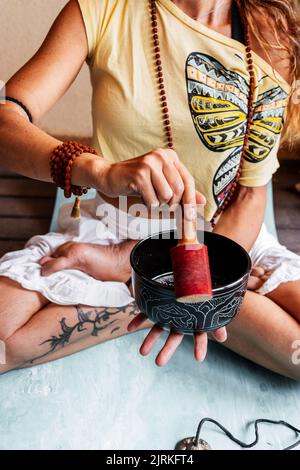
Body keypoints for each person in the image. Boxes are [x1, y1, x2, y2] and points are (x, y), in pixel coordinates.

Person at [0, 0, 299, 379]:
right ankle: (153, 284)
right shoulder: (102, 8)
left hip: (223, 239)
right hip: (117, 226)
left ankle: (131, 276)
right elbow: (5, 121)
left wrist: (201, 281)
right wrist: (98, 170)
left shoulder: (273, 31)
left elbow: (250, 194)